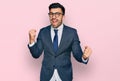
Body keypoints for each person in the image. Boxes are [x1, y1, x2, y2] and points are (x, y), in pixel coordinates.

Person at [28, 2, 92, 81]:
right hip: (46, 76)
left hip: (64, 76)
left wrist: (84, 57)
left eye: (57, 14)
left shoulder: (72, 33)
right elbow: (36, 54)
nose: (53, 17)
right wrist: (31, 41)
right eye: (51, 14)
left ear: (63, 16)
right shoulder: (43, 32)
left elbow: (77, 53)